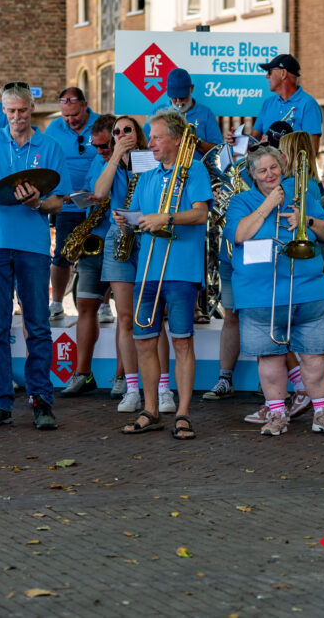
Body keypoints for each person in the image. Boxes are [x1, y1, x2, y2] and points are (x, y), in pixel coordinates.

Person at [0, 83, 70, 430]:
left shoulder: (50, 147)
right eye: (10, 111)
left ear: (31, 107)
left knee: (37, 325)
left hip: (33, 246)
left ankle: (41, 401)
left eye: (22, 110)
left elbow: (59, 201)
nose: (17, 117)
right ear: (4, 110)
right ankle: (0, 402)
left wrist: (38, 203)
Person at [225, 146, 324, 435]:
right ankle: (277, 414)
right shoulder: (241, 201)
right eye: (262, 170)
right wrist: (268, 205)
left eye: (273, 168)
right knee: (270, 357)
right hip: (259, 296)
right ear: (252, 175)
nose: (270, 174)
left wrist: (307, 220)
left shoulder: (302, 196)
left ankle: (321, 413)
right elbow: (239, 234)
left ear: (282, 167)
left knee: (314, 355)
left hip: (306, 292)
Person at [116, 109, 212, 440]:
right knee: (144, 342)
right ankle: (151, 410)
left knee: (182, 342)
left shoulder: (194, 169)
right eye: (151, 137)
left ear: (175, 139)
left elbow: (200, 214)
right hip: (148, 270)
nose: (151, 143)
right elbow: (143, 219)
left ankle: (183, 413)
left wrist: (165, 218)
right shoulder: (146, 176)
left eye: (157, 137)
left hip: (181, 270)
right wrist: (128, 220)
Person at [90, 116, 173, 412]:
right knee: (125, 318)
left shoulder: (151, 158)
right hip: (120, 237)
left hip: (149, 235)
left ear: (138, 134)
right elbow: (99, 193)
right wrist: (115, 156)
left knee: (153, 316)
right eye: (117, 132)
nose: (122, 134)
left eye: (128, 130)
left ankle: (163, 388)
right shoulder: (109, 160)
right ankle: (132, 387)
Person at [60, 115, 117, 398]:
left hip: (119, 242)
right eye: (96, 146)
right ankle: (82, 373)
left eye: (105, 146)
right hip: (93, 239)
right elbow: (91, 190)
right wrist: (81, 197)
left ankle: (124, 377)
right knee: (84, 305)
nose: (100, 151)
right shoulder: (97, 159)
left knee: (126, 315)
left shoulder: (133, 163)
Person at [45, 87, 99, 320]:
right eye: (65, 116)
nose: (70, 120)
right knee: (61, 255)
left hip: (97, 205)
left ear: (85, 105)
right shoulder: (53, 128)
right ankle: (57, 303)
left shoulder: (101, 124)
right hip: (67, 205)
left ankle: (104, 306)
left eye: (75, 115)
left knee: (99, 254)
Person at [144, 68, 223, 159]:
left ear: (191, 88)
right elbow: (145, 143)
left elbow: (218, 150)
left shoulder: (206, 113)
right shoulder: (158, 112)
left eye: (182, 97)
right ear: (167, 90)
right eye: (174, 97)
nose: (178, 101)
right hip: (165, 167)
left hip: (198, 166)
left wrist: (197, 142)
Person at [248, 54, 323, 150]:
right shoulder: (267, 103)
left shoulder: (308, 105)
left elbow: (312, 150)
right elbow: (253, 139)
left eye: (270, 71)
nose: (267, 76)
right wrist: (237, 141)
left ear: (283, 73)